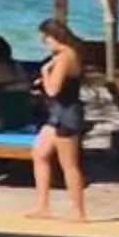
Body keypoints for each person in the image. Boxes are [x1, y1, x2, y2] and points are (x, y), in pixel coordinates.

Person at [29, 17, 89, 222]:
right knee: (40, 153)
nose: (45, 45)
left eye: (45, 40)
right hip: (56, 114)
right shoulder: (64, 55)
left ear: (53, 37)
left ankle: (78, 210)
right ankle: (42, 205)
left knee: (69, 164)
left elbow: (53, 90)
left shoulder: (65, 57)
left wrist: (45, 73)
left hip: (67, 114)